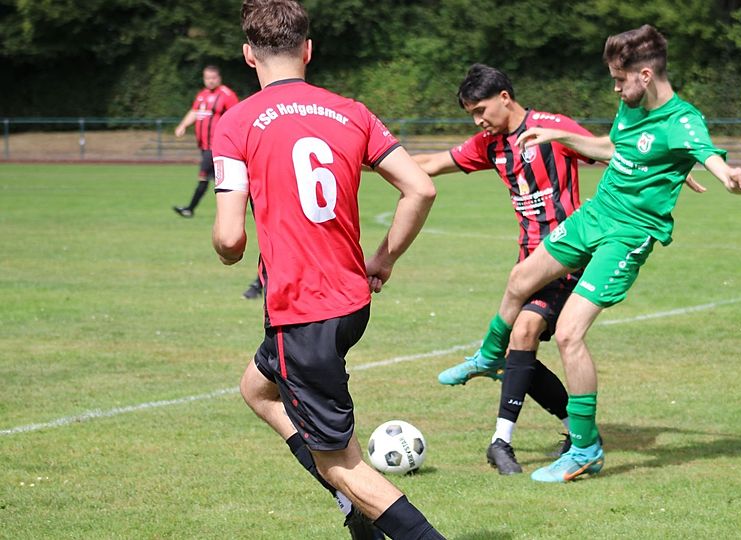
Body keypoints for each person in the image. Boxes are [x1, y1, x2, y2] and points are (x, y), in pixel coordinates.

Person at [470, 25, 741, 483]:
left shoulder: (683, 121)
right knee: (521, 278)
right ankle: (489, 356)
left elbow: (711, 159)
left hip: (628, 234)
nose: (616, 89)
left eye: (620, 80)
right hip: (596, 215)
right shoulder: (631, 106)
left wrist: (731, 178)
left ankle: (585, 449)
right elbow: (610, 146)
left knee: (569, 334)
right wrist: (555, 136)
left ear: (645, 75)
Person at [211, 1, 444, 538]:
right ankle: (356, 513)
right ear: (308, 50)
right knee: (258, 389)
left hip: (302, 312)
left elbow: (230, 239)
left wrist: (226, 250)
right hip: (350, 302)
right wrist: (383, 258)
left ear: (248, 55)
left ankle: (371, 509)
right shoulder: (351, 112)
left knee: (342, 463)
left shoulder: (237, 122)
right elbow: (421, 187)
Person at [412, 64, 591, 475]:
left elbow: (605, 148)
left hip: (566, 257)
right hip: (529, 262)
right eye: (471, 114)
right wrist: (363, 160)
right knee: (517, 352)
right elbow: (432, 162)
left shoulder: (551, 127)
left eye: (481, 110)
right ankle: (576, 433)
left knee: (522, 333)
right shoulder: (489, 145)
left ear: (505, 98)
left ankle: (501, 442)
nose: (478, 121)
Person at [173, 65, 239, 218]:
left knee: (204, 176)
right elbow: (195, 111)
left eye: (213, 78)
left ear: (219, 78)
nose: (210, 81)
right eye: (207, 78)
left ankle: (190, 209)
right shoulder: (202, 95)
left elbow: (236, 116)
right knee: (223, 179)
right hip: (204, 146)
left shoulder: (227, 95)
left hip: (216, 146)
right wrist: (183, 125)